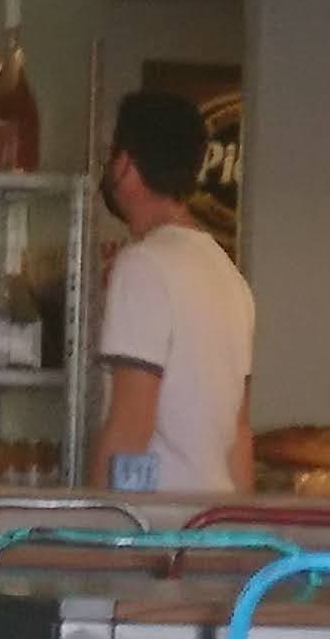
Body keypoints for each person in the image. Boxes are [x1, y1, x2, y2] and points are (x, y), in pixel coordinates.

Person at [95, 87, 253, 496]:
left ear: (126, 165)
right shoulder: (228, 275)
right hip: (213, 520)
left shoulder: (143, 266)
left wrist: (93, 519)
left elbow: (131, 426)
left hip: (158, 521)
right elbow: (238, 434)